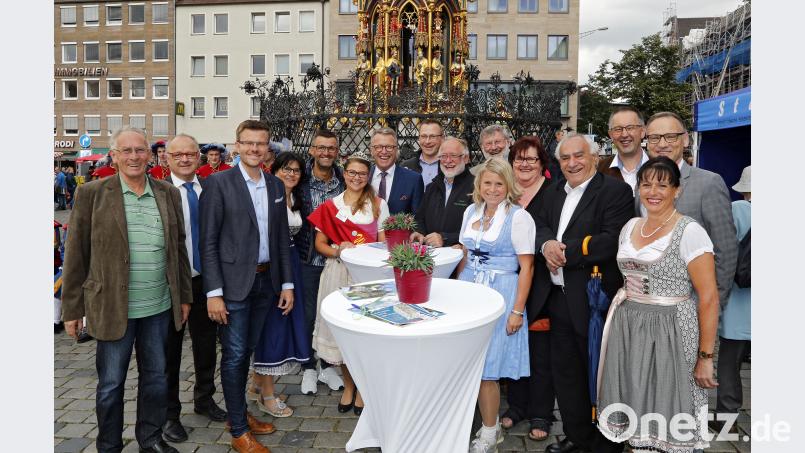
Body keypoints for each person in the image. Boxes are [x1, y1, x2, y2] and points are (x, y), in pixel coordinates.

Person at [61, 126, 192, 453]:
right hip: (111, 307)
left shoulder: (167, 193)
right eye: (127, 151)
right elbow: (76, 253)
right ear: (115, 156)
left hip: (158, 307)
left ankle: (150, 439)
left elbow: (178, 248)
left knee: (156, 379)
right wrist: (72, 310)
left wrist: (184, 297)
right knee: (110, 385)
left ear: (150, 155)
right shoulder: (92, 193)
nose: (134, 156)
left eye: (140, 150)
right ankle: (109, 445)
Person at [597, 156, 719, 452]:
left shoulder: (689, 231)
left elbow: (709, 296)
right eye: (647, 184)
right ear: (638, 188)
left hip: (672, 328)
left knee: (670, 404)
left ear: (677, 190)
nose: (653, 191)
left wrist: (705, 356)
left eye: (662, 185)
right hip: (629, 326)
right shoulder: (630, 227)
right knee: (635, 399)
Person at [531, 133, 633, 453]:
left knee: (600, 376)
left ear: (594, 157)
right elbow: (540, 224)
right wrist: (546, 243)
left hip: (594, 301)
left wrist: (566, 251)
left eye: (579, 156)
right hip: (558, 300)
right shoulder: (552, 192)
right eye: (565, 158)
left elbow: (613, 238)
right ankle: (578, 437)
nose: (572, 163)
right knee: (567, 376)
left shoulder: (615, 191)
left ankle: (607, 443)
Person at [199, 119, 294, 453]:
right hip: (233, 286)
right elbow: (207, 242)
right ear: (236, 145)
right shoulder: (218, 183)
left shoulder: (273, 185)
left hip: (266, 282)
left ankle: (237, 414)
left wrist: (286, 283)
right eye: (249, 143)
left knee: (247, 353)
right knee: (236, 355)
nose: (255, 149)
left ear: (268, 147)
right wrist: (213, 293)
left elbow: (281, 238)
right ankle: (239, 430)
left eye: (261, 143)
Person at [453, 159, 535, 453]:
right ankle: (475, 421)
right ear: (479, 185)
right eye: (487, 183)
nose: (492, 189)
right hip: (470, 292)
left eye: (499, 183)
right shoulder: (470, 211)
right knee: (469, 364)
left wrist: (517, 311)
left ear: (509, 185)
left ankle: (490, 431)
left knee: (487, 368)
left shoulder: (519, 217)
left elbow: (526, 267)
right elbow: (464, 254)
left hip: (501, 295)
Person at [307, 150, 390, 416]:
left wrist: (364, 252)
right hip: (338, 272)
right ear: (345, 174)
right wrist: (339, 251)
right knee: (342, 334)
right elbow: (320, 244)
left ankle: (365, 389)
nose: (356, 177)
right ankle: (349, 387)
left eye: (362, 174)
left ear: (369, 177)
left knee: (365, 334)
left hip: (367, 276)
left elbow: (384, 243)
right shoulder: (331, 205)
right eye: (352, 172)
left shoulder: (378, 204)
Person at [162, 134, 227, 444]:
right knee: (168, 351)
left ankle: (204, 398)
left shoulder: (212, 187)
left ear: (199, 158)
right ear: (167, 158)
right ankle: (169, 414)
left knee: (205, 346)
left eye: (191, 154)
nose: (185, 159)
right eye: (178, 155)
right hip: (171, 283)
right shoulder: (159, 191)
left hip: (206, 281)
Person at [643, 112, 738, 307]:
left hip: (692, 307)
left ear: (685, 139)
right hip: (649, 306)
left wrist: (712, 310)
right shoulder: (643, 186)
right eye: (654, 138)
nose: (662, 144)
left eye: (670, 136)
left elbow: (725, 252)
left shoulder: (708, 183)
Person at [248, 152, 313, 418]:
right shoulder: (265, 197)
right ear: (274, 170)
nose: (291, 174)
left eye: (296, 170)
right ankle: (268, 395)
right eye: (286, 169)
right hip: (270, 267)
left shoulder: (298, 198)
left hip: (291, 266)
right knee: (270, 329)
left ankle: (257, 385)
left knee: (281, 325)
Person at [500, 136, 556, 442]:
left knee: (539, 352)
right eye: (518, 159)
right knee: (514, 347)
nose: (524, 164)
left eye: (531, 159)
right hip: (511, 281)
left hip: (542, 285)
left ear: (542, 164)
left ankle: (541, 412)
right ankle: (517, 406)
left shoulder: (553, 194)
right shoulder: (505, 194)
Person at [297, 129, 347, 395]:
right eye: (321, 148)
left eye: (331, 148)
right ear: (312, 150)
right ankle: (307, 366)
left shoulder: (344, 180)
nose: (326, 153)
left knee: (331, 314)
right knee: (308, 314)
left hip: (338, 263)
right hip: (309, 257)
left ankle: (327, 364)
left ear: (336, 151)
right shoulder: (300, 180)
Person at [711, 165, 751, 434]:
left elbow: (723, 249)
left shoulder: (739, 210)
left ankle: (727, 417)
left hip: (739, 302)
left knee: (729, 361)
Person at [410, 136, 474, 247]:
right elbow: (420, 219)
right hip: (430, 255)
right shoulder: (432, 187)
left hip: (459, 256)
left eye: (453, 155)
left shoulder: (476, 187)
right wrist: (419, 233)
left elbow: (479, 229)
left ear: (466, 158)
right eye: (443, 156)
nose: (448, 161)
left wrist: (445, 238)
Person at [369, 127, 424, 214]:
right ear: (371, 150)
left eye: (389, 147)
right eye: (378, 147)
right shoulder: (362, 177)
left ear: (396, 150)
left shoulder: (413, 180)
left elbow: (417, 218)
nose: (384, 152)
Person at [598, 106, 649, 191]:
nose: (624, 134)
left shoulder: (663, 167)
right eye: (618, 129)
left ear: (643, 131)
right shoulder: (598, 171)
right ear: (611, 135)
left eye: (630, 128)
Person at [401, 119, 443, 188]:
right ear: (419, 138)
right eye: (423, 136)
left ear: (442, 138)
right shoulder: (406, 166)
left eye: (432, 136)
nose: (427, 141)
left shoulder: (449, 165)